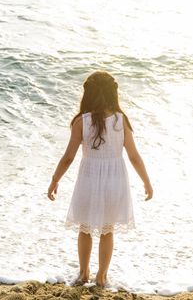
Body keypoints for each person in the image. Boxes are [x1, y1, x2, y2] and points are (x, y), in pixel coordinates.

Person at [47, 70, 153, 287]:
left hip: (88, 180)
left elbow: (68, 157)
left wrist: (55, 179)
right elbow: (134, 156)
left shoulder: (81, 122)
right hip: (115, 182)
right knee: (107, 230)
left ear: (88, 94)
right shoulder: (120, 121)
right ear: (113, 94)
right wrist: (146, 181)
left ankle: (84, 273)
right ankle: (102, 277)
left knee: (84, 229)